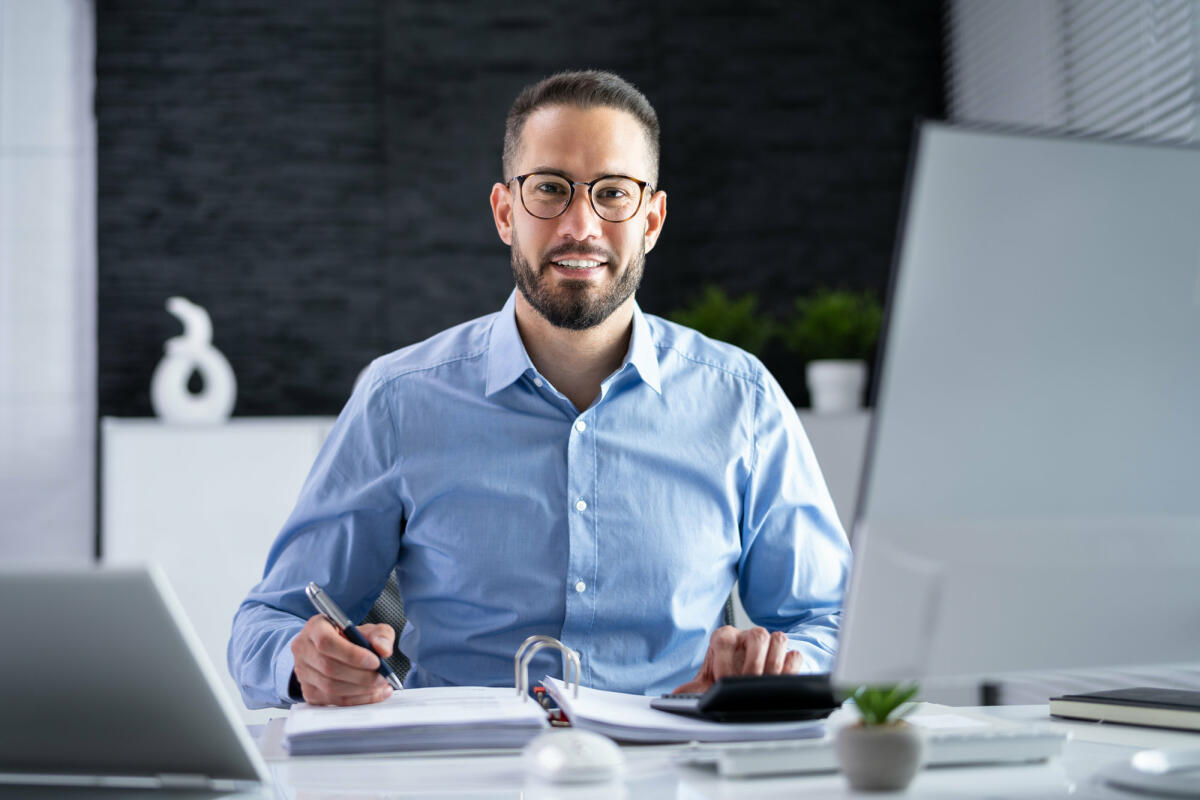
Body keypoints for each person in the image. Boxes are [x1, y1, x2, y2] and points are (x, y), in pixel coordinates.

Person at [228, 70, 850, 709]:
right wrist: (304, 665)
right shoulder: (397, 399)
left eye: (613, 193)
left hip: (670, 767)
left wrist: (785, 666)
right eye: (550, 188)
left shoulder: (742, 401)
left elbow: (831, 623)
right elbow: (265, 623)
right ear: (504, 212)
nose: (581, 225)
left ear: (653, 220)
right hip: (460, 771)